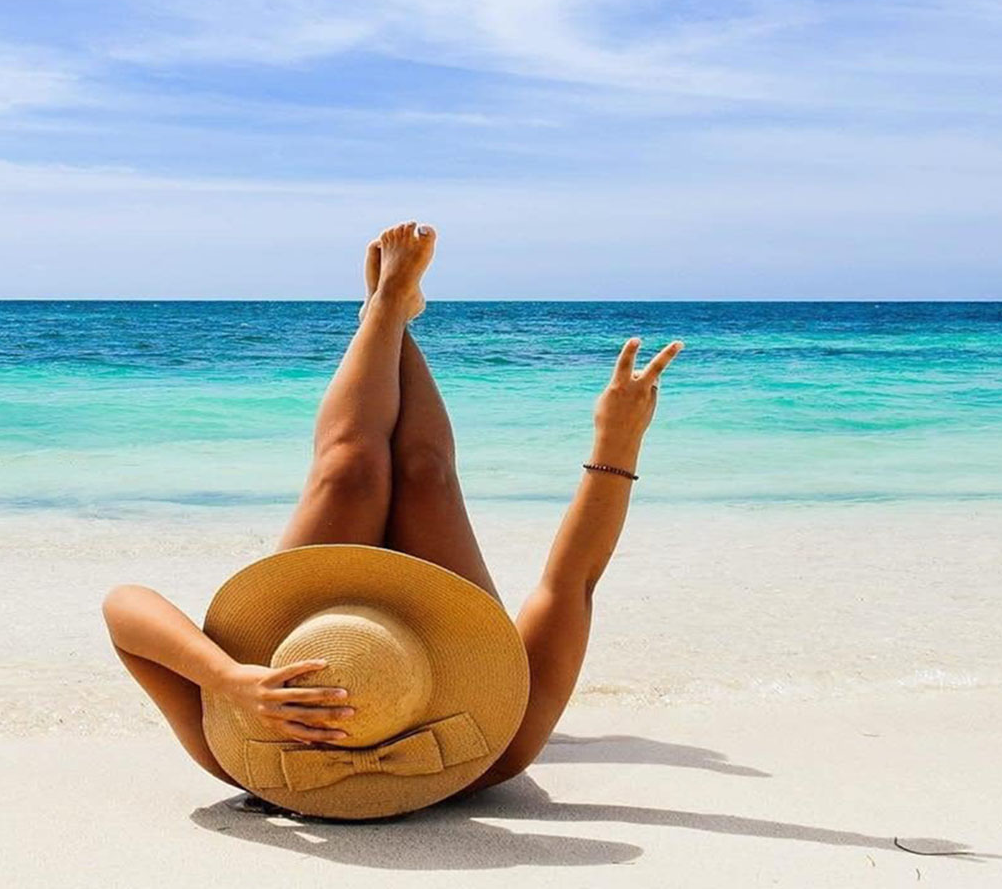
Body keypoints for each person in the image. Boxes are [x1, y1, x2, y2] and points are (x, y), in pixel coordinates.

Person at [102, 221, 683, 817]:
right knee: (425, 474)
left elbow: (123, 606)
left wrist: (228, 679)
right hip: (438, 643)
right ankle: (393, 312)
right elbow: (572, 582)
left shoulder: (235, 754)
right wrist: (618, 442)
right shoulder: (497, 750)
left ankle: (383, 312)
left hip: (308, 618)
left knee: (351, 469)